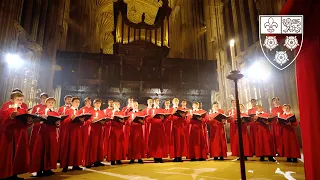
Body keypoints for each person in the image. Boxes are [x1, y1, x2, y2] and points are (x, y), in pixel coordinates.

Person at [0, 92, 33, 179]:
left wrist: (29, 121)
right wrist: (10, 117)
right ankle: (7, 174)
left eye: (21, 99)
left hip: (21, 135)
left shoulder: (24, 111)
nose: (20, 101)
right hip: (10, 135)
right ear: (12, 100)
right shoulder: (6, 111)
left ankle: (15, 173)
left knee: (18, 154)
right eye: (17, 99)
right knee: (9, 154)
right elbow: (3, 123)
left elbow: (25, 125)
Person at [29, 97, 60, 176]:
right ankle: (38, 169)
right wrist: (40, 121)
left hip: (51, 134)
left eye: (52, 102)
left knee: (50, 150)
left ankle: (48, 168)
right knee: (40, 150)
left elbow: (58, 124)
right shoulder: (41, 112)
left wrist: (57, 124)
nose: (51, 104)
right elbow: (35, 123)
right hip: (42, 133)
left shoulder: (56, 114)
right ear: (46, 103)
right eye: (49, 102)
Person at [60, 97, 85, 172]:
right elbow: (63, 122)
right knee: (68, 148)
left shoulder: (79, 112)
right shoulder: (68, 110)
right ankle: (65, 166)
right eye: (76, 102)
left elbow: (82, 123)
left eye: (78, 102)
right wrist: (71, 118)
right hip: (69, 132)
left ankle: (76, 165)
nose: (77, 103)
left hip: (77, 131)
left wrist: (82, 121)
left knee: (77, 148)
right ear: (72, 102)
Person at [85, 99, 106, 168]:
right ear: (94, 104)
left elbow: (105, 120)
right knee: (93, 146)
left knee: (99, 146)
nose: (98, 104)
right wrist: (92, 120)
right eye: (96, 103)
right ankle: (91, 161)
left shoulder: (102, 112)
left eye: (99, 103)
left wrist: (104, 122)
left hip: (100, 130)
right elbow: (87, 121)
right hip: (93, 131)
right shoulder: (91, 111)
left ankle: (98, 160)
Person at [147, 98, 166, 163]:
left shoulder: (161, 110)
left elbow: (164, 120)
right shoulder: (151, 110)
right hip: (153, 128)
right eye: (156, 101)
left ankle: (160, 157)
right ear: (153, 102)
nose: (157, 102)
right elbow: (147, 120)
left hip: (160, 128)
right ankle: (155, 157)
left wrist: (163, 118)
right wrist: (151, 117)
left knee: (160, 143)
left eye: (158, 101)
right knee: (154, 143)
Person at [107, 101, 126, 165]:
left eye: (118, 104)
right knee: (113, 145)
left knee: (119, 145)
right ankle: (112, 159)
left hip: (120, 130)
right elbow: (107, 123)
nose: (117, 105)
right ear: (113, 105)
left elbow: (124, 122)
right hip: (113, 130)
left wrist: (122, 121)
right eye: (116, 104)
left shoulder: (122, 113)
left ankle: (118, 159)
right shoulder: (110, 113)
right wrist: (111, 119)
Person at [169, 98, 187, 162]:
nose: (176, 103)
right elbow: (168, 119)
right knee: (174, 143)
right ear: (173, 102)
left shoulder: (180, 109)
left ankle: (180, 156)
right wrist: (172, 113)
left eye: (177, 102)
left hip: (180, 128)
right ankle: (175, 157)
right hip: (174, 128)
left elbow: (185, 121)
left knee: (180, 142)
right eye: (175, 102)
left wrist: (183, 116)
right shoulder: (170, 109)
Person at [80, 97, 94, 164]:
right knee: (84, 144)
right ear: (85, 102)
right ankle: (83, 160)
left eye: (90, 101)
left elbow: (94, 117)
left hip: (92, 128)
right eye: (88, 101)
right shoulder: (82, 109)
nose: (89, 102)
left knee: (91, 145)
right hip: (84, 128)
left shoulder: (92, 109)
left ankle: (90, 160)